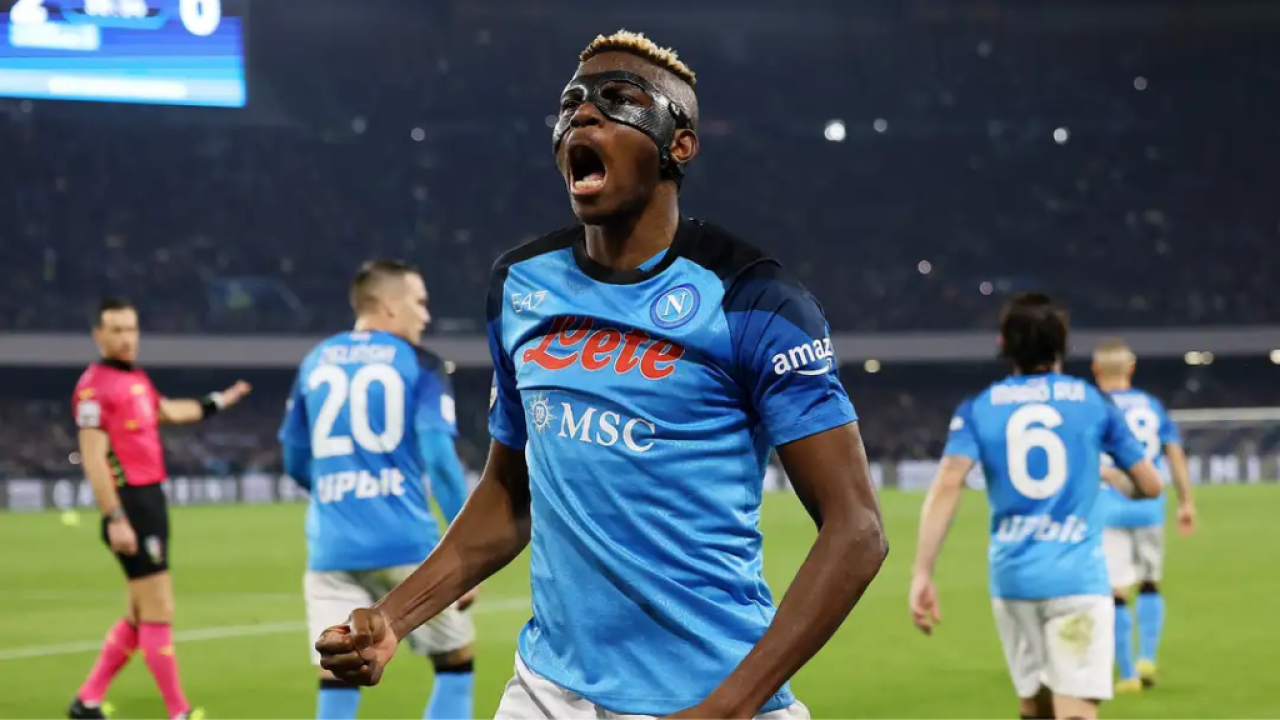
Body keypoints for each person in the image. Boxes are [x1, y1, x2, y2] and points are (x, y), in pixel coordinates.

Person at [314, 30, 889, 720]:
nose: (582, 114)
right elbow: (510, 495)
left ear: (680, 144)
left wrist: (727, 708)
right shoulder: (520, 285)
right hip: (547, 692)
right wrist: (392, 618)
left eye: (618, 100)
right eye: (571, 104)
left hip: (712, 697)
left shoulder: (755, 299)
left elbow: (857, 528)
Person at [909, 292, 1164, 720]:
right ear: (1063, 345)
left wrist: (922, 572)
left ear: (1003, 344)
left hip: (1013, 579)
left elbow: (948, 483)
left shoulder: (979, 408)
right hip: (1077, 579)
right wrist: (1108, 475)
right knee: (1076, 709)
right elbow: (1151, 485)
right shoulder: (1091, 402)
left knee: (1035, 703)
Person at [278, 260, 476, 720]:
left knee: (338, 670)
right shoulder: (420, 364)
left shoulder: (315, 360)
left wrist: (337, 492)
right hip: (405, 545)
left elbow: (294, 461)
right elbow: (441, 463)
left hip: (331, 550)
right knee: (455, 663)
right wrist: (466, 554)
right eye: (419, 302)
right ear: (389, 305)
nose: (426, 315)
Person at [69, 297, 251, 720]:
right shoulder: (93, 388)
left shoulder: (135, 379)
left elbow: (169, 411)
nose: (126, 337)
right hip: (131, 503)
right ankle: (178, 711)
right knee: (159, 609)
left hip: (149, 500)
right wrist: (115, 517)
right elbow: (94, 459)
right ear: (98, 336)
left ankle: (87, 700)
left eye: (131, 328)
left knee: (139, 615)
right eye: (116, 329)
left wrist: (219, 401)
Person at [1091, 339, 1196, 693]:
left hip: (1107, 506)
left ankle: (1127, 674)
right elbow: (1175, 454)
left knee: (1115, 591)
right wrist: (1186, 502)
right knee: (1150, 582)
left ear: (1096, 369)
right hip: (1149, 506)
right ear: (1131, 369)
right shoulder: (1152, 405)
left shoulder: (1093, 406)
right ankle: (1147, 658)